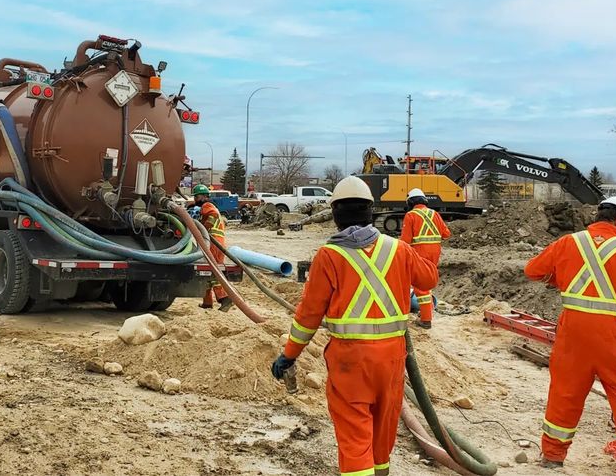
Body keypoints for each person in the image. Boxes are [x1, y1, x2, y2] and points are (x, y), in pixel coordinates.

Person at [270, 176, 438, 476]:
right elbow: (428, 280)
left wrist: (290, 354)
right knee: (382, 431)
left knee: (354, 437)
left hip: (350, 362)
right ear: (370, 212)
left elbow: (308, 315)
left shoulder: (329, 255)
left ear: (335, 215)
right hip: (391, 359)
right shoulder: (397, 249)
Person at [524, 196, 616, 475]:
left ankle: (552, 457)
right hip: (613, 334)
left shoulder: (569, 242)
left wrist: (559, 279)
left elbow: (532, 271)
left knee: (565, 393)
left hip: (572, 330)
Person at [399, 188, 451, 329]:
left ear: (410, 202)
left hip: (419, 253)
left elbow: (405, 241)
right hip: (435, 253)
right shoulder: (435, 213)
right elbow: (446, 234)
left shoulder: (411, 215)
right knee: (426, 282)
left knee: (420, 286)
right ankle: (425, 312)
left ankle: (426, 319)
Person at [192, 184, 232, 311]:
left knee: (213, 272)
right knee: (207, 271)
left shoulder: (207, 206)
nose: (195, 199)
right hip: (215, 243)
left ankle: (225, 299)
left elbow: (212, 215)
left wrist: (203, 226)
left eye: (196, 196)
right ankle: (207, 302)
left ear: (203, 196)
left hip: (214, 243)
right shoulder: (204, 207)